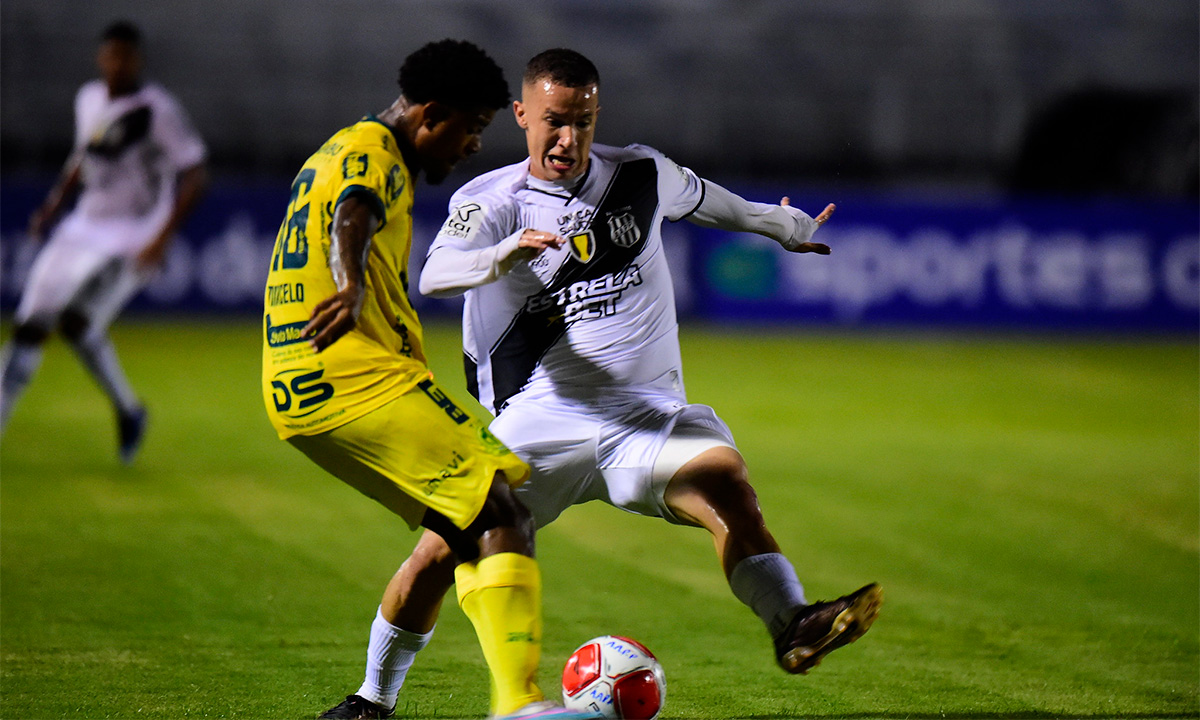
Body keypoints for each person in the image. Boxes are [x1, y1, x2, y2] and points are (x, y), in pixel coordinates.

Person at [320, 48, 882, 719]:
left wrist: (784, 226)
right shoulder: (491, 201)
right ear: (523, 115)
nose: (569, 138)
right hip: (542, 414)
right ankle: (370, 700)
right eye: (554, 121)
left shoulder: (639, 173)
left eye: (583, 122)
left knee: (726, 480)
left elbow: (709, 202)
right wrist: (504, 254)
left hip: (646, 416)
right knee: (442, 549)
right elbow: (437, 274)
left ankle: (794, 622)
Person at [262, 40, 598, 720]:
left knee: (460, 525)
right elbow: (352, 211)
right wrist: (352, 285)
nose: (473, 146)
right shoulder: (374, 153)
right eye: (471, 129)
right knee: (499, 507)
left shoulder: (337, 148)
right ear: (431, 115)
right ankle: (519, 706)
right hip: (352, 374)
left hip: (304, 384)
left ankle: (369, 705)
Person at [0, 21, 208, 462]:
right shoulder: (89, 98)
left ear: (138, 60)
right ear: (101, 58)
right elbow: (84, 154)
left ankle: (130, 412)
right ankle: (130, 411)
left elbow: (196, 173)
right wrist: (55, 204)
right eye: (111, 55)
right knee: (31, 324)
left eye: (125, 57)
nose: (117, 64)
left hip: (134, 233)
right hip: (84, 225)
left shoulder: (157, 110)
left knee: (75, 322)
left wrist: (161, 239)